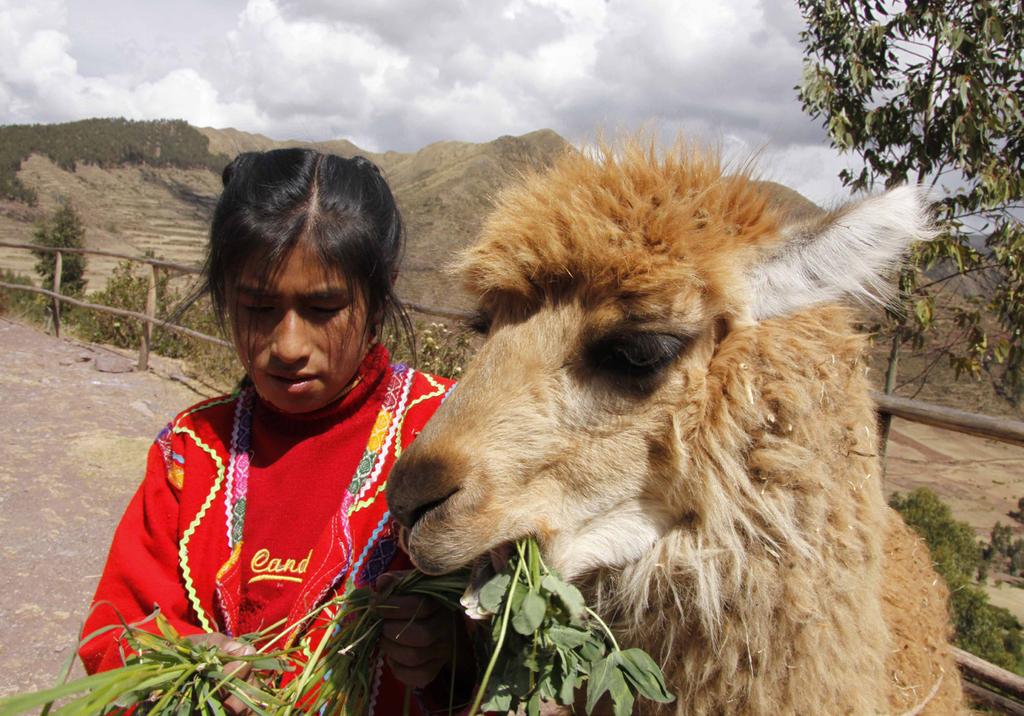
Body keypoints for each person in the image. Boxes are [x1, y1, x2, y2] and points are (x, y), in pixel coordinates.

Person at [79, 148, 469, 714]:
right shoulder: (192, 454)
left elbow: (522, 636)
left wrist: (451, 651)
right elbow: (115, 630)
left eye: (323, 308)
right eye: (259, 307)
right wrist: (184, 662)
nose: (288, 345)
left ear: (379, 297)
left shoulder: (448, 435)